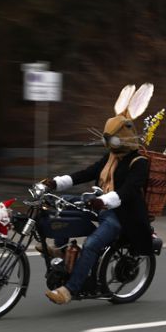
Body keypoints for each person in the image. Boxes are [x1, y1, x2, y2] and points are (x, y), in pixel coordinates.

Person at [42, 83, 154, 305]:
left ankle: (69, 290)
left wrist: (102, 201)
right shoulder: (112, 156)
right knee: (61, 204)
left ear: (123, 138)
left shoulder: (139, 162)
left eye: (111, 140)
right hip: (99, 205)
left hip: (122, 215)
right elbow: (88, 172)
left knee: (93, 244)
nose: (108, 145)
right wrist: (56, 183)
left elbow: (127, 191)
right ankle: (61, 250)